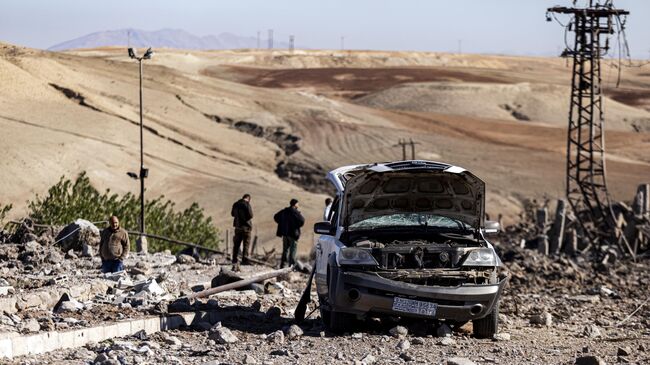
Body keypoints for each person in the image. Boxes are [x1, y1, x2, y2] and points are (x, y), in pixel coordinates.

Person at [274, 198, 305, 268]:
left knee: (285, 250)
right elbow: (302, 220)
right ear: (295, 204)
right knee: (293, 251)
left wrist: (282, 224)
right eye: (298, 204)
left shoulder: (285, 211)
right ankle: (291, 267)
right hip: (293, 234)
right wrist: (296, 226)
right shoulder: (295, 212)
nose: (298, 205)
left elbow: (276, 217)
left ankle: (282, 265)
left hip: (285, 234)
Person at [231, 194, 253, 265]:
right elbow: (251, 215)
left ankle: (234, 259)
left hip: (237, 227)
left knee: (236, 244)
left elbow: (232, 214)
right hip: (246, 227)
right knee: (246, 244)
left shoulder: (235, 204)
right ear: (248, 199)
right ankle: (244, 259)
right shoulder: (246, 204)